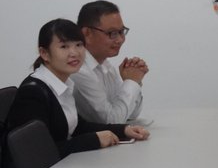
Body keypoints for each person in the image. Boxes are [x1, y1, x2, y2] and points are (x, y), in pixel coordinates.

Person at [7, 19, 150, 160]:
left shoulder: (64, 84)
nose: (74, 53)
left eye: (79, 45)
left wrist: (123, 130)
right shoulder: (33, 93)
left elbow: (77, 127)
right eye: (64, 47)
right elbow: (37, 153)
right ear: (44, 53)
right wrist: (94, 140)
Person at [69, 0, 148, 124]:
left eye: (122, 31)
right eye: (112, 33)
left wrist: (134, 81)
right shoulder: (79, 70)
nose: (120, 39)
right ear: (87, 33)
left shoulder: (106, 66)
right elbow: (111, 121)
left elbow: (132, 114)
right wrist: (131, 82)